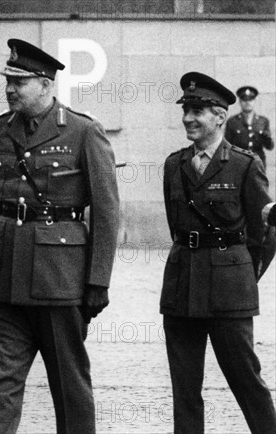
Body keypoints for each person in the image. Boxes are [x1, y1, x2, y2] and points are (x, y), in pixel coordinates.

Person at [0, 39, 120, 434]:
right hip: (6, 279)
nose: (9, 89)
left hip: (59, 279)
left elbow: (105, 211)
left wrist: (98, 280)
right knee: (0, 378)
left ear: (46, 84)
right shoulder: (1, 128)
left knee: (68, 383)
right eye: (7, 80)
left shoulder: (83, 131)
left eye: (19, 82)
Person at [161, 71, 276, 434]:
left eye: (198, 110)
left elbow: (264, 234)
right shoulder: (173, 164)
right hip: (181, 288)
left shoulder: (244, 165)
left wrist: (241, 273)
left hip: (229, 292)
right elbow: (176, 226)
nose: (188, 118)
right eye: (186, 110)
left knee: (247, 381)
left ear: (220, 116)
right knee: (185, 391)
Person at [225, 86, 274, 167]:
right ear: (240, 102)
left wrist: (267, 139)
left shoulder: (263, 121)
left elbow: (270, 147)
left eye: (250, 99)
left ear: (254, 101)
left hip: (258, 163)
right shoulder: (232, 121)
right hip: (238, 163)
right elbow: (226, 145)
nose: (247, 102)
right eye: (244, 99)